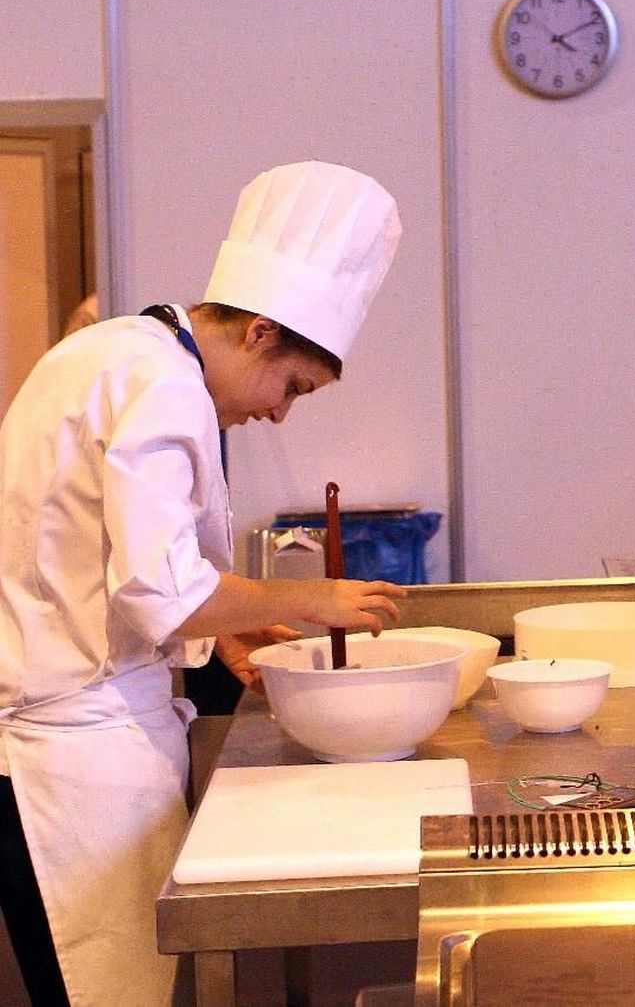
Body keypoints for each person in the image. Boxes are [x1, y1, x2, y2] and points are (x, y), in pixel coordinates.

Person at [0, 160, 407, 1006]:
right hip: (65, 763)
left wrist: (220, 625)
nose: (280, 411)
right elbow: (163, 587)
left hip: (67, 739)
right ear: (260, 332)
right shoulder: (162, 384)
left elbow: (108, 564)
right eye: (291, 385)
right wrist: (307, 596)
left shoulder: (116, 351)